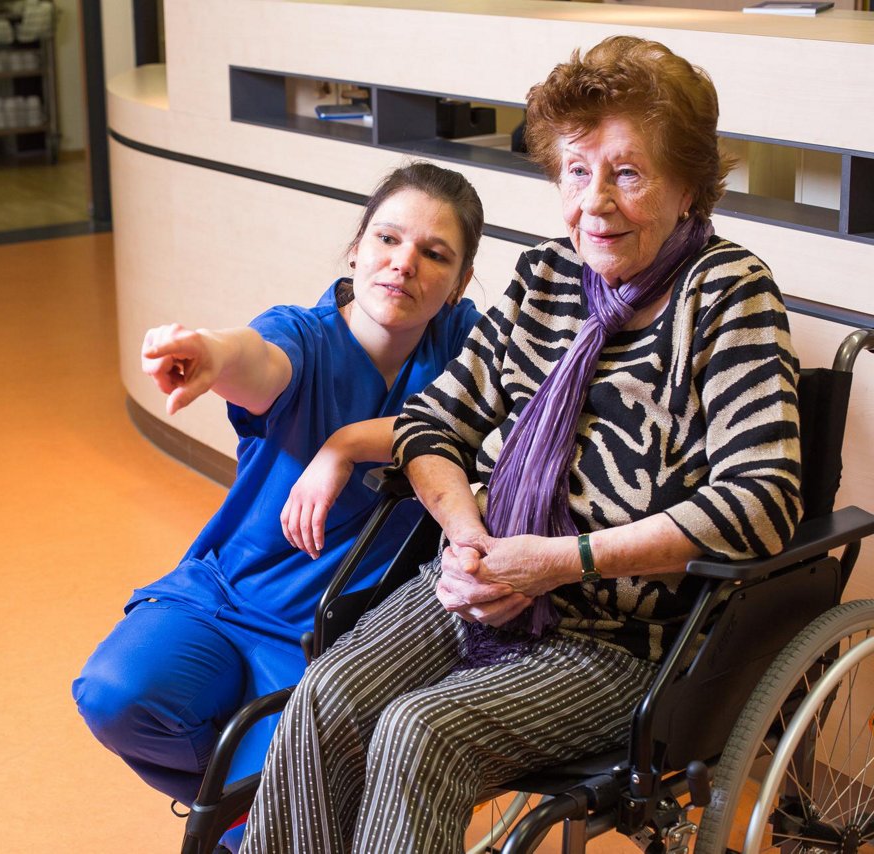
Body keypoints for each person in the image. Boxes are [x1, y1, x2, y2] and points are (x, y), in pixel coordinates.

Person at [243, 36, 802, 854]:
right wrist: (472, 542)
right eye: (578, 171)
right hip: (483, 573)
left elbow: (762, 499)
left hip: (621, 639)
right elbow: (433, 424)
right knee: (324, 694)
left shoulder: (728, 295)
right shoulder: (545, 279)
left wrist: (559, 561)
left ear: (689, 186)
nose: (596, 203)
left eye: (629, 172)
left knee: (418, 732)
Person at [72, 163, 485, 849]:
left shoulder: (462, 344)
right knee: (114, 694)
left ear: (459, 282)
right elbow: (257, 359)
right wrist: (209, 352)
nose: (403, 264)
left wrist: (346, 445)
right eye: (387, 239)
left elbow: (473, 408)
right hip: (226, 595)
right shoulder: (306, 334)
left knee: (303, 781)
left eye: (434, 254)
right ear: (357, 248)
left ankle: (263, 808)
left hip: (330, 643)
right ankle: (249, 809)